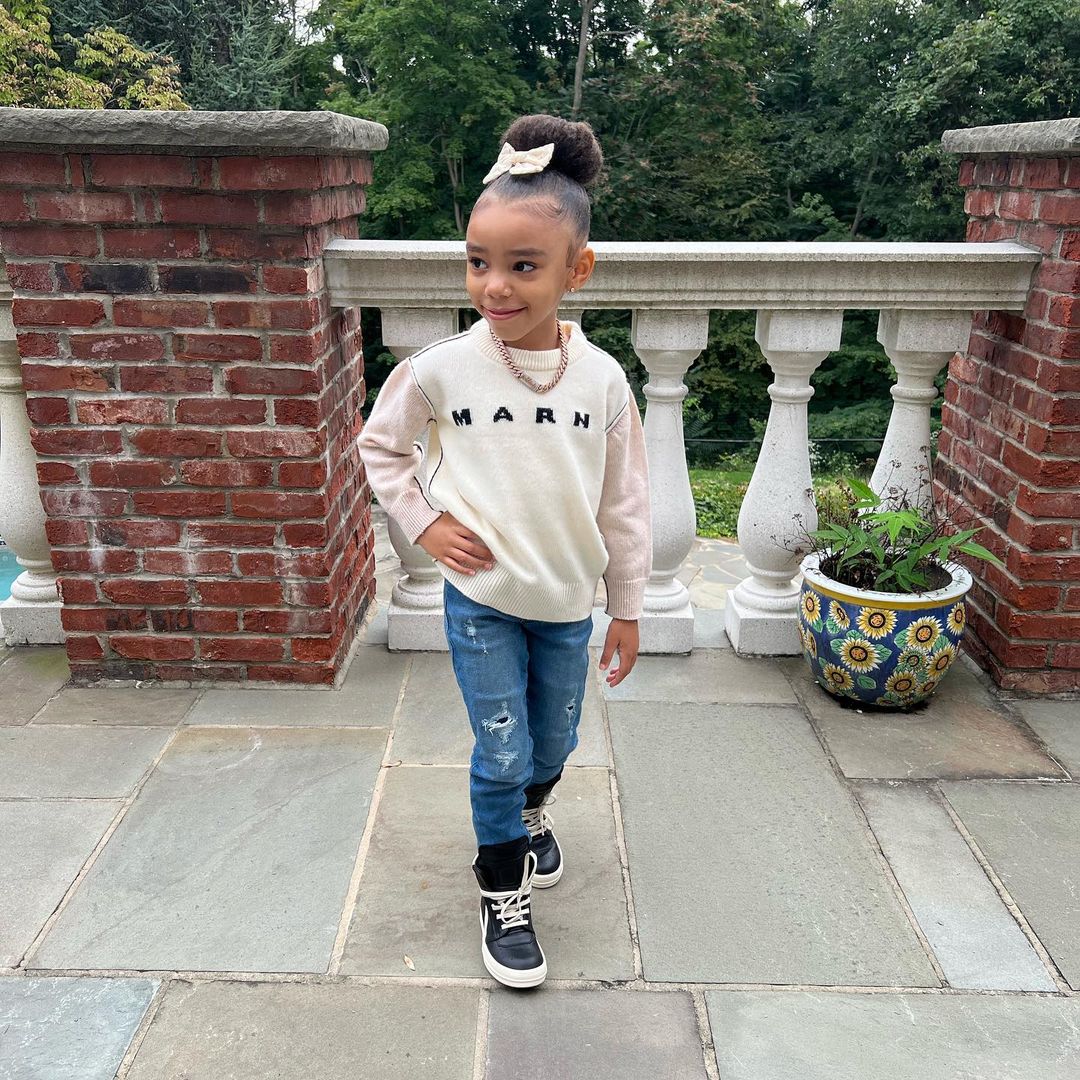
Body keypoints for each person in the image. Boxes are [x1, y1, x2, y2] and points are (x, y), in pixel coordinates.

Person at [356, 113, 651, 989]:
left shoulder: (603, 380)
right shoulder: (441, 368)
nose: (495, 284)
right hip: (481, 598)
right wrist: (424, 522)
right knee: (501, 751)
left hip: (565, 602)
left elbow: (625, 502)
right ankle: (502, 886)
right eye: (478, 261)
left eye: (523, 266)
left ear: (575, 270)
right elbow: (381, 447)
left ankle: (530, 813)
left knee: (552, 746)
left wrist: (627, 606)